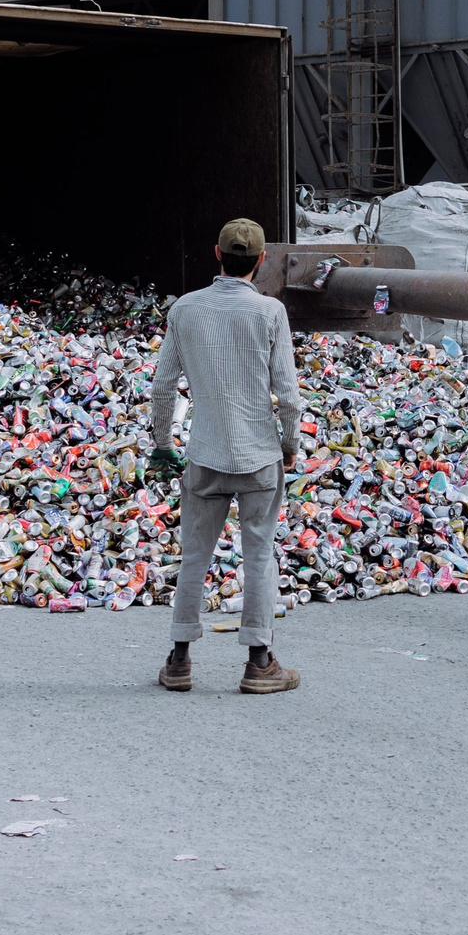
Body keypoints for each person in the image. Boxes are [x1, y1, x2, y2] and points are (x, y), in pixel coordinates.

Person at [147, 217, 303, 694]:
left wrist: (162, 445)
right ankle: (259, 663)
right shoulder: (270, 312)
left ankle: (179, 660)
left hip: (206, 453)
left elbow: (162, 386)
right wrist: (290, 447)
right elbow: (289, 396)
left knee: (194, 554)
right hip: (258, 455)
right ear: (261, 260)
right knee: (259, 554)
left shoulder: (186, 310)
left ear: (216, 254)